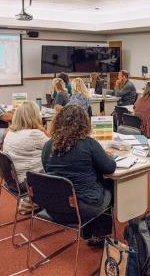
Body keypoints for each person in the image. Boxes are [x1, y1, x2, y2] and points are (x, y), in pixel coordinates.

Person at [42, 105, 116, 245]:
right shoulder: (88, 143)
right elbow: (110, 168)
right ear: (84, 123)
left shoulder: (48, 145)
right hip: (83, 206)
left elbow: (47, 169)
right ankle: (100, 234)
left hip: (54, 205)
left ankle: (89, 231)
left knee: (92, 182)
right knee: (110, 185)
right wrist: (107, 156)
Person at [3, 101, 49, 214]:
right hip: (28, 180)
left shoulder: (10, 132)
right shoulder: (35, 134)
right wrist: (44, 131)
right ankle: (38, 201)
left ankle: (34, 201)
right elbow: (54, 147)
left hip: (12, 179)